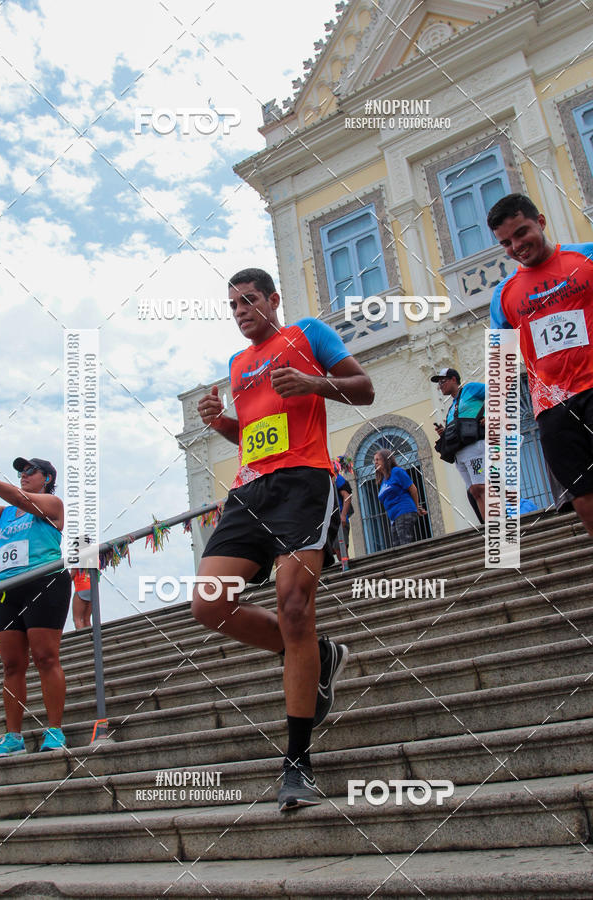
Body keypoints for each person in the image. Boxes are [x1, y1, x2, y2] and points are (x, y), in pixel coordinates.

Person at [193, 267, 374, 812]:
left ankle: (297, 764)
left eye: (249, 300)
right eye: (232, 305)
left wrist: (316, 383)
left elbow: (364, 390)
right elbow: (253, 434)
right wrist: (221, 422)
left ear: (274, 299)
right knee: (209, 603)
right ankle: (316, 656)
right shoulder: (238, 364)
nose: (241, 310)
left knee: (294, 606)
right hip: (252, 489)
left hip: (304, 482)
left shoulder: (310, 333)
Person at [488, 193, 593, 537]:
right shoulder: (504, 294)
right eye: (506, 242)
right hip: (552, 410)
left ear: (541, 222)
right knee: (583, 495)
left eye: (521, 233)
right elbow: (500, 362)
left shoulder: (586, 257)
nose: (516, 246)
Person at [0, 457, 71, 756]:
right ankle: (14, 737)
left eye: (30, 471)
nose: (23, 475)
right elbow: (11, 500)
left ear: (47, 478)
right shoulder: (4, 514)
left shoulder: (52, 504)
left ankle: (54, 729)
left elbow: (18, 496)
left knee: (45, 656)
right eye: (19, 472)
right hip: (7, 588)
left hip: (45, 581)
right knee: (12, 664)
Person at [432, 367, 486, 521]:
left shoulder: (469, 389)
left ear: (453, 379)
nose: (440, 386)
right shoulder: (452, 407)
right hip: (460, 453)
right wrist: (445, 432)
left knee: (481, 487)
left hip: (474, 448)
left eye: (442, 381)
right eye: (438, 384)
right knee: (474, 491)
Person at [374, 450, 426, 545]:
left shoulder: (396, 472)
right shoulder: (384, 480)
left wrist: (416, 506)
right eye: (374, 460)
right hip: (394, 517)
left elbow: (413, 489)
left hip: (404, 511)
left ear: (386, 460)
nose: (375, 462)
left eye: (378, 459)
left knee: (404, 542)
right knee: (397, 546)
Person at [334, 463, 353, 561]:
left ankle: (347, 570)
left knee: (340, 549)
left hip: (339, 519)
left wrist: (343, 515)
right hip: (331, 522)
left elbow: (347, 496)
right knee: (336, 549)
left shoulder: (338, 479)